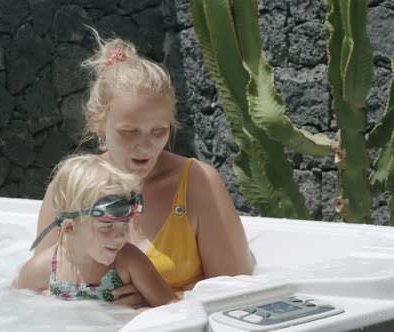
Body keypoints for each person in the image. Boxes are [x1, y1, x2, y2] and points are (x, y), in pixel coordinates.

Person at [33, 32, 254, 307]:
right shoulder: (69, 188)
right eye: (129, 131)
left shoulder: (198, 182)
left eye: (159, 131)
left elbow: (239, 295)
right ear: (100, 124)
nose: (145, 146)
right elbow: (37, 291)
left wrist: (156, 303)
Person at [13, 154, 179, 307]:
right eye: (107, 227)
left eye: (125, 224)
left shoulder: (128, 261)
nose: (120, 236)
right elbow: (14, 312)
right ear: (70, 227)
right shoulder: (42, 269)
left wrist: (138, 311)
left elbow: (174, 311)